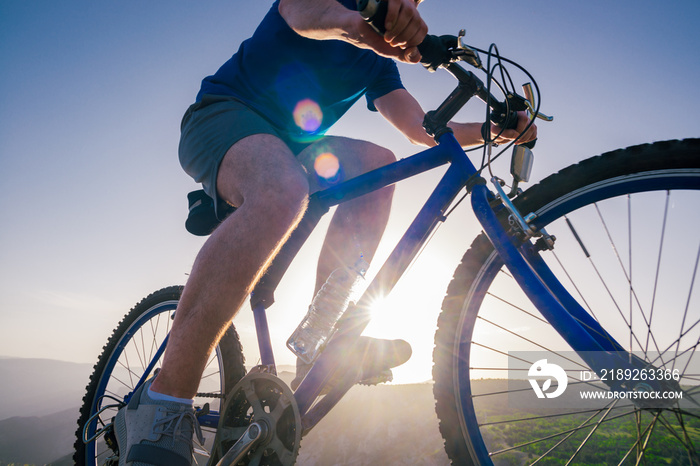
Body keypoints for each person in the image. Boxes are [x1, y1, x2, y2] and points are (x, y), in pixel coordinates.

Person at [114, 0, 537, 464]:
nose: (410, 6)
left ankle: (324, 337)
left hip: (292, 145)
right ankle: (163, 410)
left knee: (380, 165)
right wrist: (373, 30)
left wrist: (497, 131)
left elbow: (420, 130)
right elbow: (306, 17)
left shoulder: (377, 61)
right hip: (221, 116)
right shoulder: (337, 8)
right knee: (282, 189)